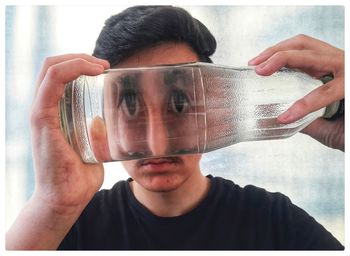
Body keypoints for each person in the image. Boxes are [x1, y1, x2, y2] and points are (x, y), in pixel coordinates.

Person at [6, 6, 344, 250]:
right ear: (103, 116)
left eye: (179, 104)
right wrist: (54, 205)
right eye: (130, 105)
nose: (157, 143)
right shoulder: (66, 229)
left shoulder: (273, 224)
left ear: (213, 107)